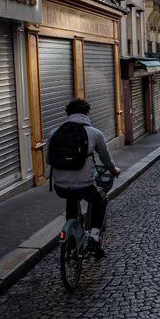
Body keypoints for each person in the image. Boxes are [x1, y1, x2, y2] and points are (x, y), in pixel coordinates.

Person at [48, 98, 120, 259]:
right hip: (85, 186)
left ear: (68, 114)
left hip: (60, 186)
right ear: (87, 113)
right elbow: (106, 160)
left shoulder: (54, 133)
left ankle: (71, 239)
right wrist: (114, 170)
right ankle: (94, 237)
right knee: (101, 200)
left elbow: (48, 159)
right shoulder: (94, 133)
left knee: (71, 199)